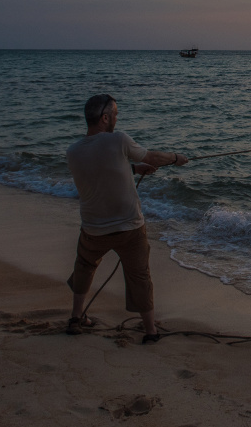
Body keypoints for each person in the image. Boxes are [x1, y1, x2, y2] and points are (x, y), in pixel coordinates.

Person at [65, 93, 188, 343]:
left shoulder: (73, 151)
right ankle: (150, 331)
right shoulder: (118, 140)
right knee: (139, 276)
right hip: (129, 227)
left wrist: (132, 169)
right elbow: (151, 157)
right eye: (116, 114)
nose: (117, 119)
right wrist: (176, 158)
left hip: (92, 228)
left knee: (84, 268)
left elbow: (99, 168)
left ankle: (76, 318)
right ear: (105, 118)